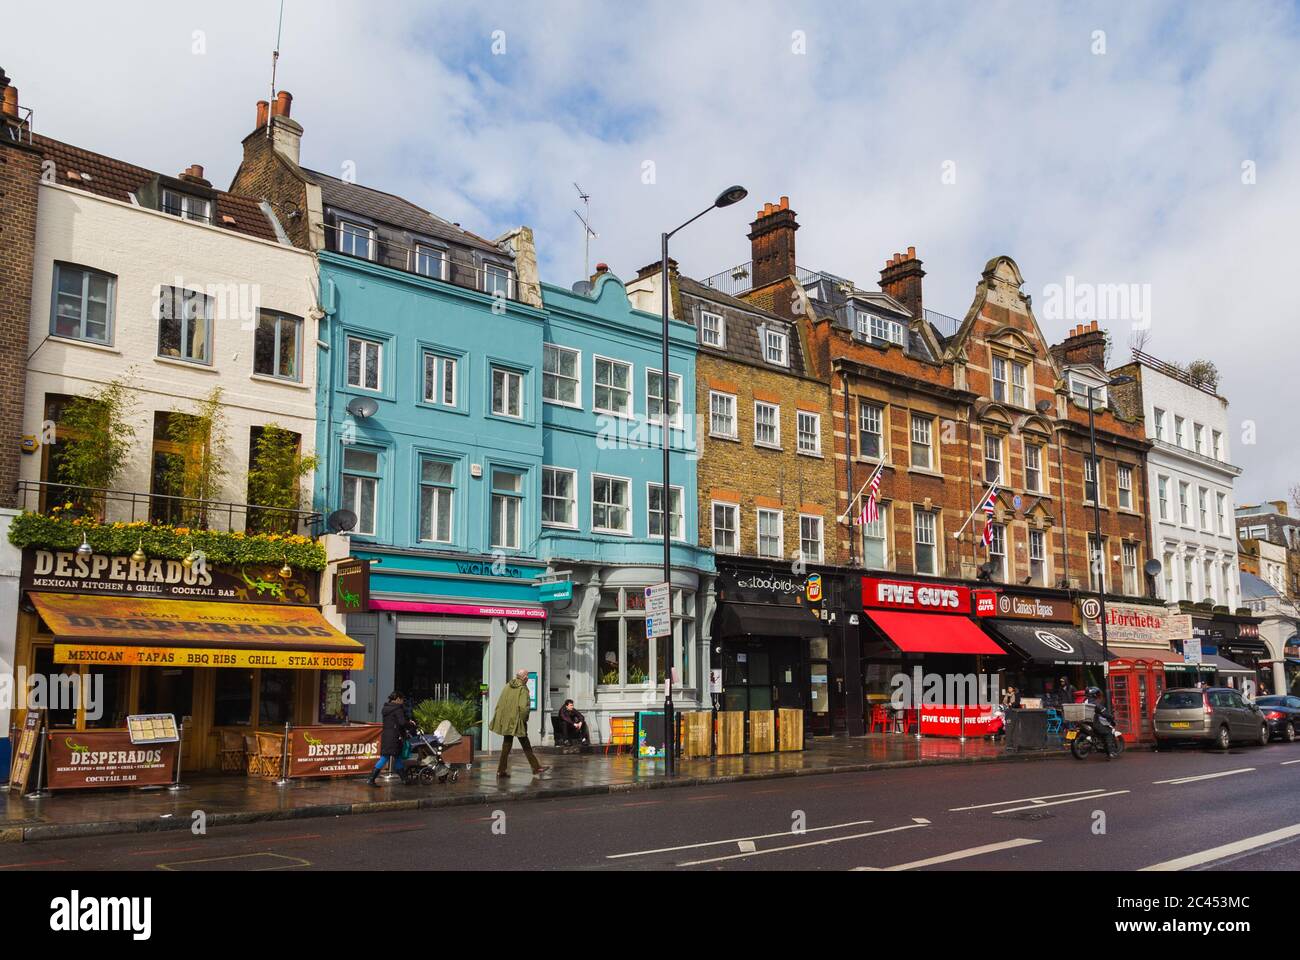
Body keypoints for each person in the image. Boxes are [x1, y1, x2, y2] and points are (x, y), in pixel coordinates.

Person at [490, 669, 548, 779]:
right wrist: (524, 720)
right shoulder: (523, 689)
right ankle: (536, 767)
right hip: (517, 721)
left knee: (506, 745)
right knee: (526, 745)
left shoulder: (508, 685)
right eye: (527, 677)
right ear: (525, 678)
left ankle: (501, 771)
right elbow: (524, 708)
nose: (528, 679)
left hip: (507, 720)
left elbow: (501, 702)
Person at [368, 691, 415, 786]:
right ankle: (371, 779)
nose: (402, 701)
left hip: (386, 736)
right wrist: (410, 723)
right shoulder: (398, 709)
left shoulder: (386, 708)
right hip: (395, 737)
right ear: (397, 699)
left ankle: (405, 779)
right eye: (402, 699)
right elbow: (402, 723)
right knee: (385, 757)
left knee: (396, 757)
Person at [1085, 686, 1119, 758]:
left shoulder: (1085, 701)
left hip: (1085, 722)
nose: (1098, 695)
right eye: (1097, 694)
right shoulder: (1095, 703)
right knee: (1108, 732)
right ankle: (1111, 752)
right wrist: (1111, 717)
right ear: (1094, 695)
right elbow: (1104, 713)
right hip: (1093, 723)